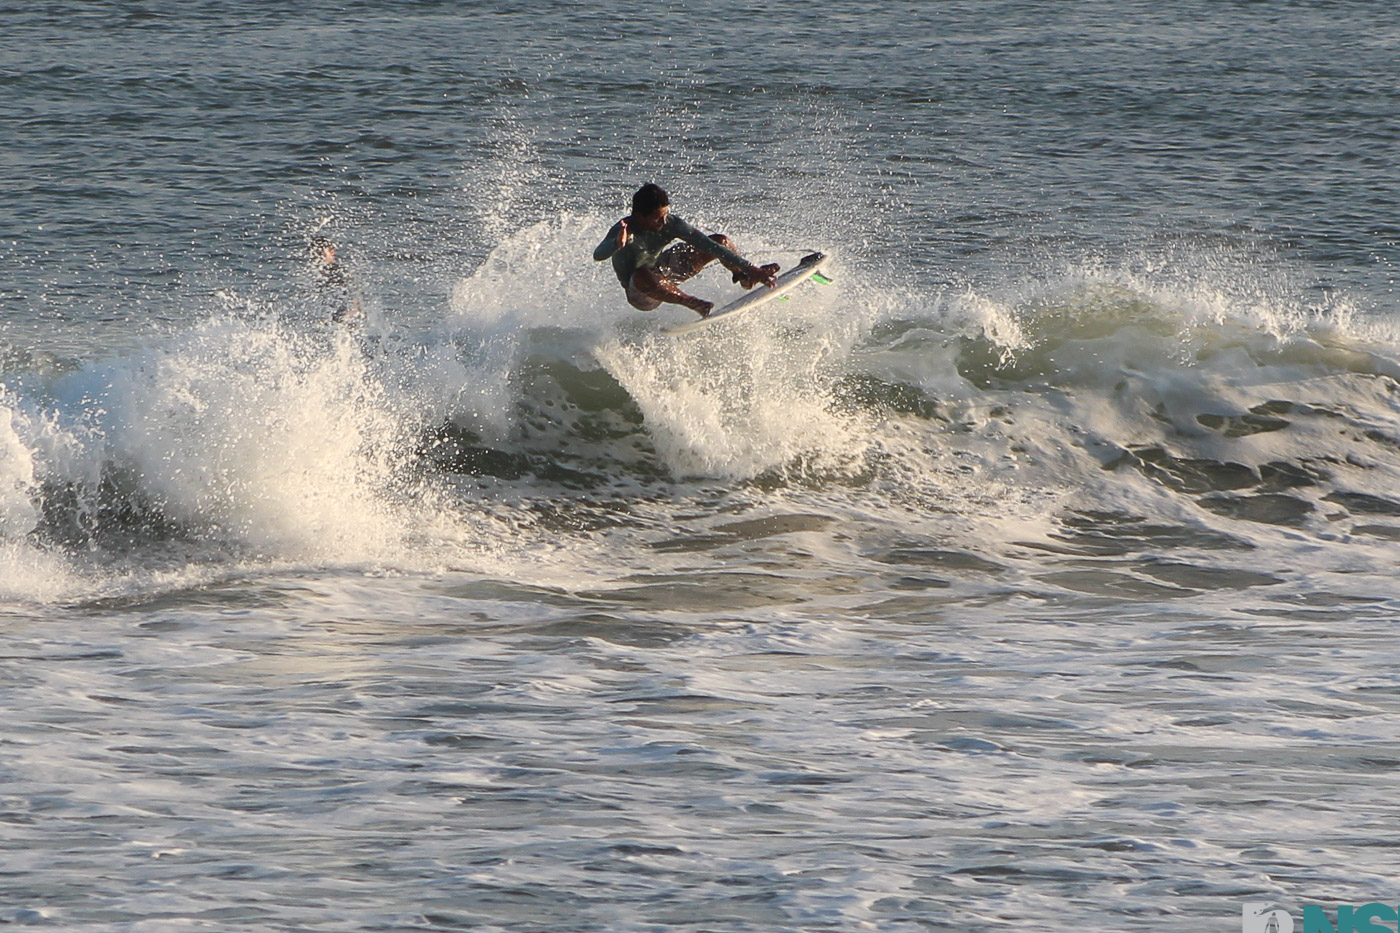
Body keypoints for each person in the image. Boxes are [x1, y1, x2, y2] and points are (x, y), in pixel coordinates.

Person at [593, 183, 779, 317]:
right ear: (639, 216)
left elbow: (709, 246)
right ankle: (692, 302)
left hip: (663, 270)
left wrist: (749, 267)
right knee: (642, 274)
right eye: (657, 218)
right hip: (641, 292)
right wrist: (616, 245)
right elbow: (598, 254)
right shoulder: (623, 230)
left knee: (719, 241)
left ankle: (746, 277)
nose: (663, 222)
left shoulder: (671, 223)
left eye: (665, 215)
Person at [308, 235, 363, 324]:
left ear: (332, 252)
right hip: (333, 318)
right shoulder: (319, 274)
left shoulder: (340, 272)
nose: (317, 257)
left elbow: (354, 297)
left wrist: (352, 314)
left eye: (320, 253)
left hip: (346, 319)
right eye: (314, 254)